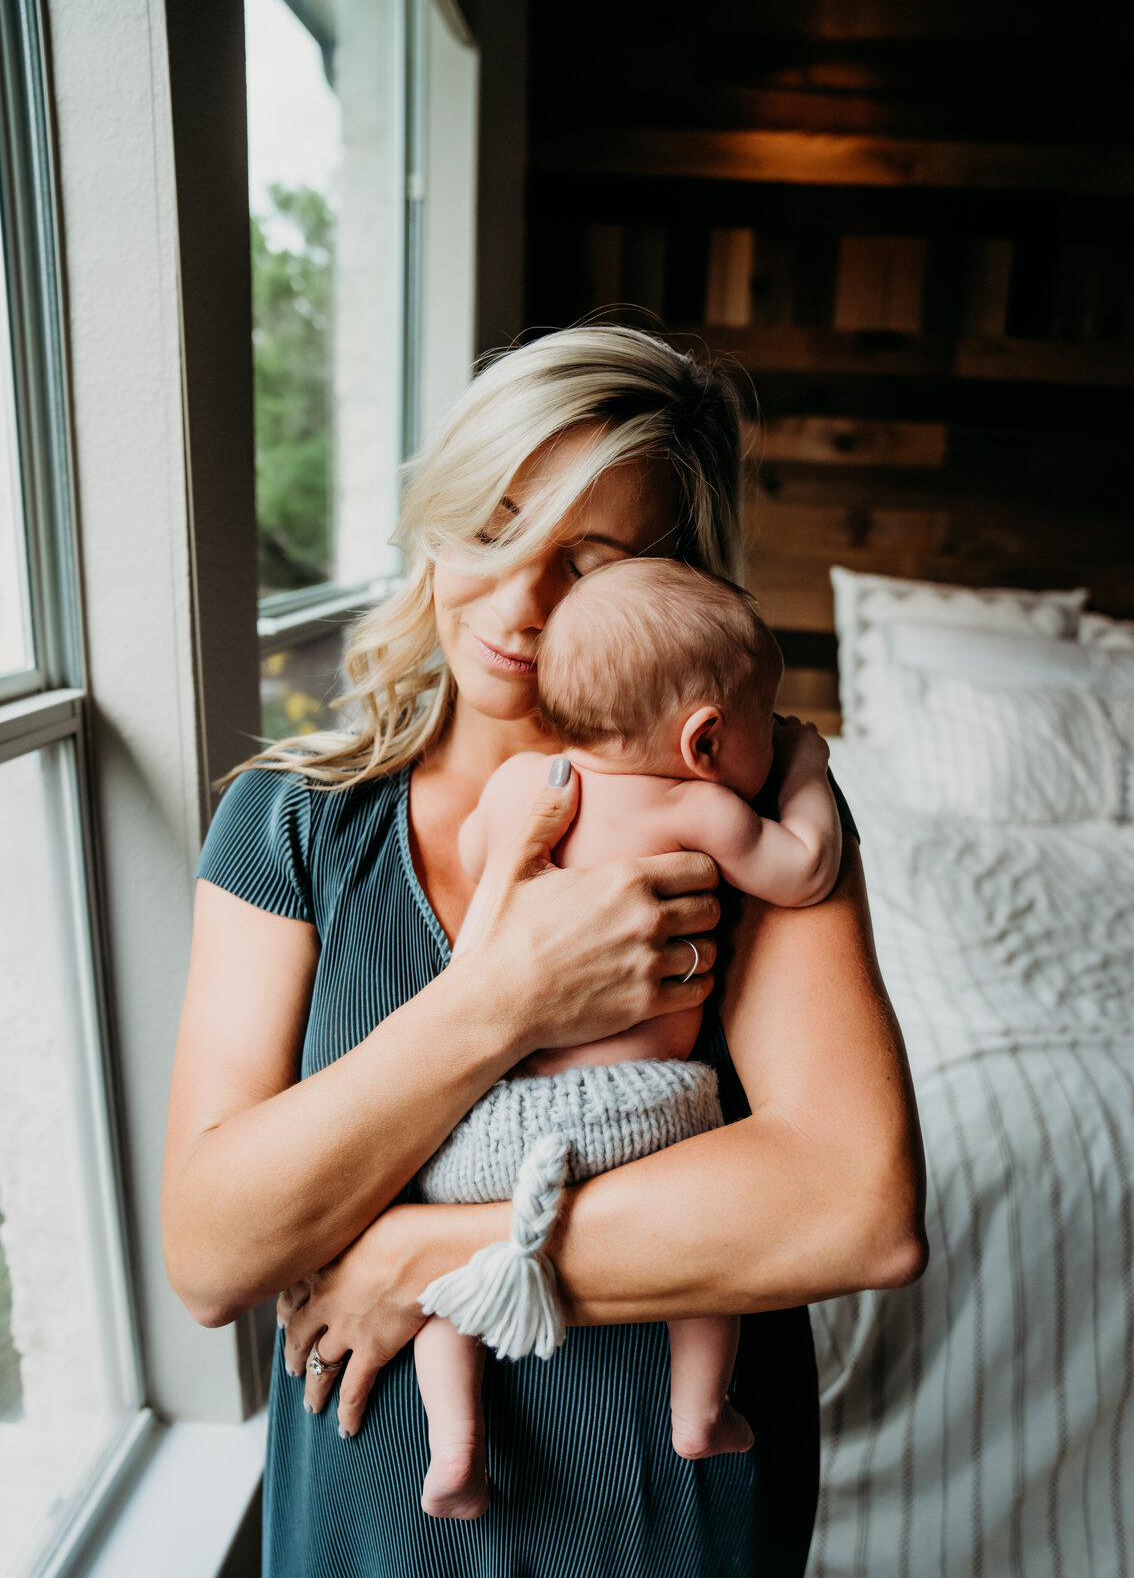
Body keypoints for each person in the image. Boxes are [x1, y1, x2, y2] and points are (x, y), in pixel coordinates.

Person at [161, 321, 927, 1578]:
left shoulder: (741, 801)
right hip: (373, 1539)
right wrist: (502, 1000)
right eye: (495, 524)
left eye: (591, 560)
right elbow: (208, 1251)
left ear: (672, 587)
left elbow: (860, 1208)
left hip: (662, 1530)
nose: (518, 603)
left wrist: (426, 1254)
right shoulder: (290, 823)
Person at [412, 558, 843, 1519]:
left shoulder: (528, 780)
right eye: (762, 725)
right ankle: (700, 1409)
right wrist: (809, 769)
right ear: (704, 738)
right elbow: (805, 870)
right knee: (716, 1257)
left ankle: (454, 1441)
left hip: (490, 1124)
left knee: (444, 1285)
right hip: (646, 1121)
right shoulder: (695, 804)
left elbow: (483, 856)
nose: (771, 745)